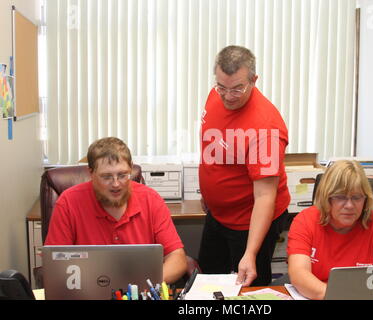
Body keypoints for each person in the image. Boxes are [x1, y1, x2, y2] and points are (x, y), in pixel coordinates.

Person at [198, 45, 291, 286]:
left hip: (250, 221)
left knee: (249, 289)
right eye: (222, 87)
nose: (228, 96)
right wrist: (210, 191)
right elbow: (216, 144)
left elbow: (265, 196)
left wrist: (250, 253)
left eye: (238, 88)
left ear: (254, 80)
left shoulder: (266, 127)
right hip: (218, 214)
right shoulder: (215, 94)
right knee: (208, 281)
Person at [45, 137, 187, 284]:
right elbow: (56, 264)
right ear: (91, 173)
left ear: (131, 168)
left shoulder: (151, 200)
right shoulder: (68, 203)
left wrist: (144, 287)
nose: (116, 184)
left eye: (122, 175)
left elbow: (177, 257)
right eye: (106, 177)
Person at [287, 160, 373, 300]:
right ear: (327, 198)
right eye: (341, 197)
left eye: (357, 198)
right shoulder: (305, 221)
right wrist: (337, 296)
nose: (349, 205)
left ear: (366, 199)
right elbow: (299, 273)